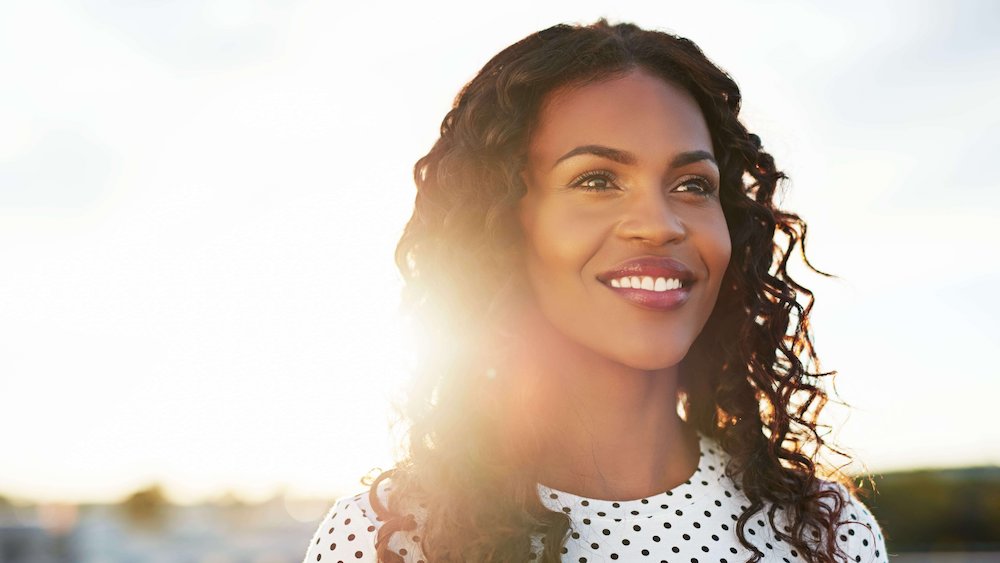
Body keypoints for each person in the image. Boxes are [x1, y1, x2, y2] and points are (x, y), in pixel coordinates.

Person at [304, 20, 887, 563]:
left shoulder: (826, 534)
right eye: (597, 179)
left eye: (692, 184)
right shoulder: (389, 540)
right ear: (504, 223)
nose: (659, 223)